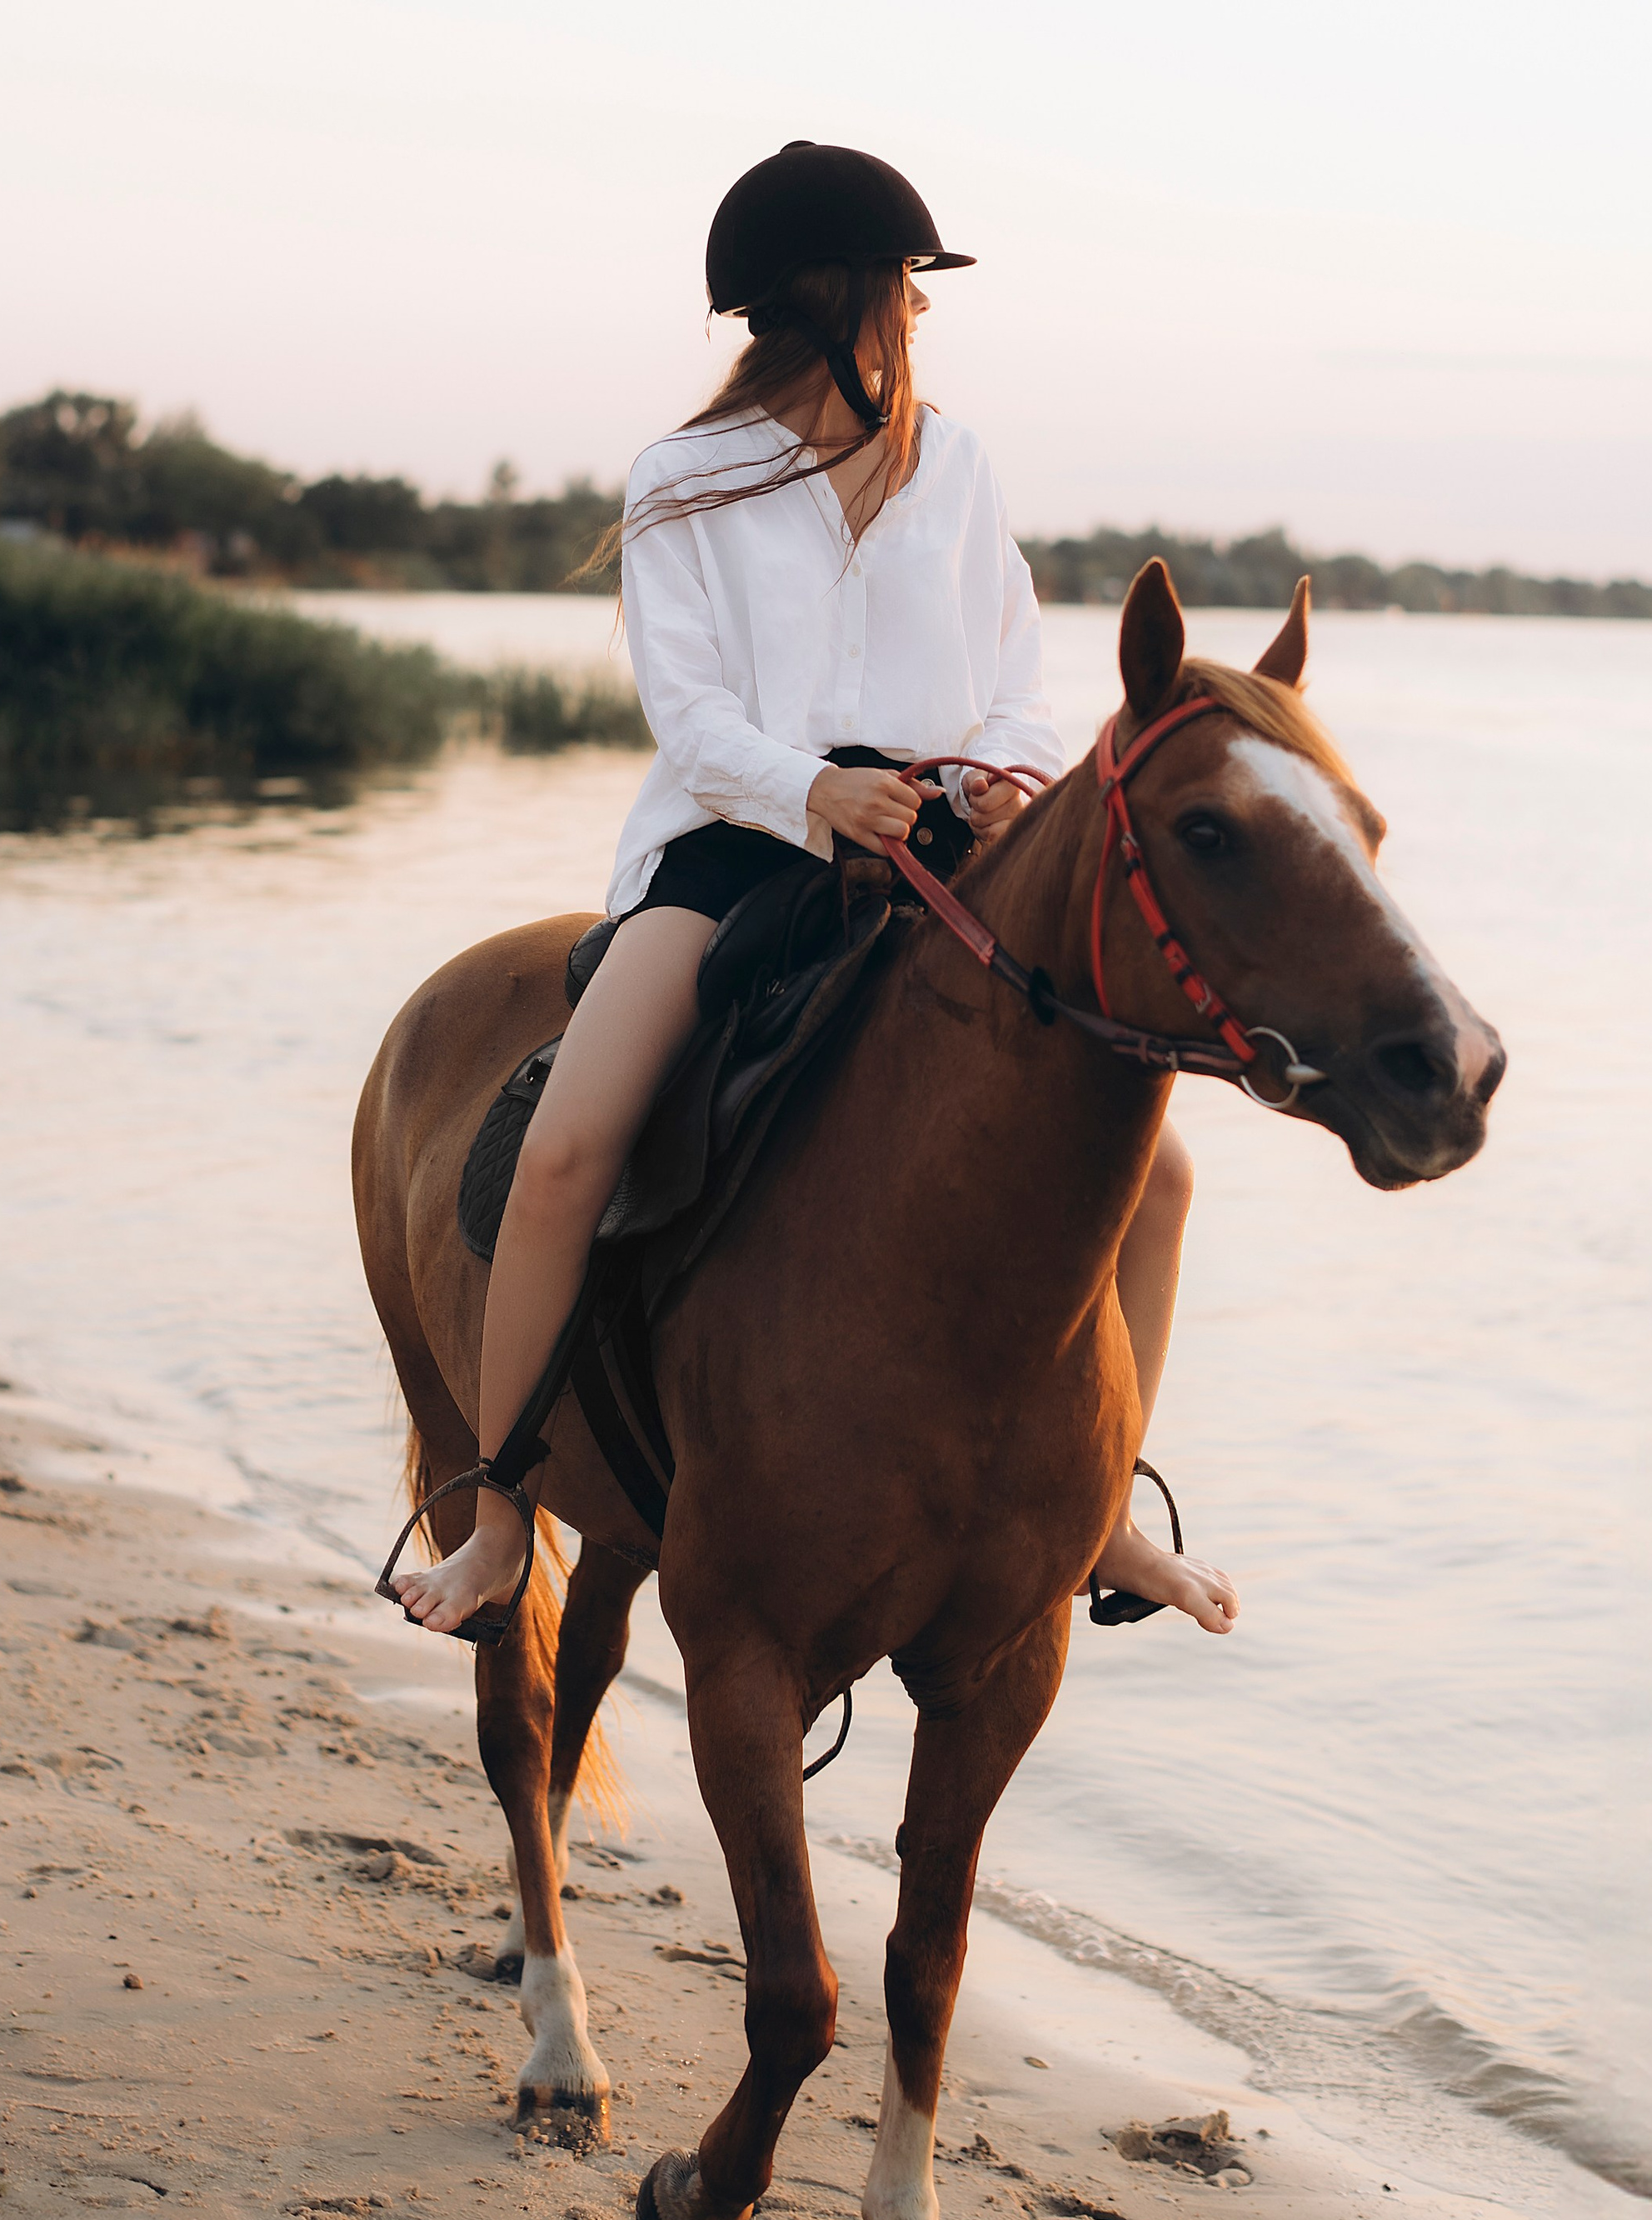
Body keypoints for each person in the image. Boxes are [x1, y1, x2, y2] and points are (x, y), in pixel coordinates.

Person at [397, 142, 1238, 1642]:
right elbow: (691, 717)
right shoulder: (682, 481)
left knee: (1160, 1175)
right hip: (736, 849)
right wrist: (812, 793)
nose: (919, 313)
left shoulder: (960, 469)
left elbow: (1020, 681)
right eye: (903, 286)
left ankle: (1103, 1508)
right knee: (567, 1154)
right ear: (832, 299)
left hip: (941, 852)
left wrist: (999, 779)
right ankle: (503, 1512)